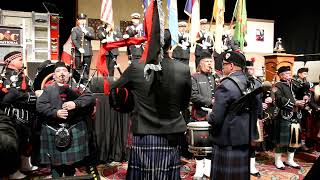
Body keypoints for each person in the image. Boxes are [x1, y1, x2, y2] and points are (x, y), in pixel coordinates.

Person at [110, 29, 191, 179]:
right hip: (172, 132)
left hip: (144, 132)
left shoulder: (137, 67)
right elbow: (184, 104)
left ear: (150, 44)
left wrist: (128, 106)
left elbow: (115, 90)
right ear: (170, 46)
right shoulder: (183, 69)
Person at [36, 62, 95, 178]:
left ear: (69, 74)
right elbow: (40, 105)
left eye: (64, 70)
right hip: (53, 129)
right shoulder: (48, 90)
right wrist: (55, 112)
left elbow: (90, 97)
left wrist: (75, 103)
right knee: (56, 164)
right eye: (58, 71)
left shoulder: (77, 87)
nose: (61, 73)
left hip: (73, 128)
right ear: (53, 76)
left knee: (70, 164)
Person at [208, 51, 257, 180]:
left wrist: (209, 116)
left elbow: (216, 118)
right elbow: (257, 111)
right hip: (244, 138)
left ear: (231, 66)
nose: (222, 67)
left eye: (224, 64)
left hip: (226, 140)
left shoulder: (226, 85)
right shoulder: (252, 83)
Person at [0, 51, 39, 179]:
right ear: (11, 61)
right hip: (13, 115)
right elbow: (9, 97)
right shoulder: (6, 76)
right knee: (14, 143)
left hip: (27, 114)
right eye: (20, 59)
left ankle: (25, 165)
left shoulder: (22, 76)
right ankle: (13, 171)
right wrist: (31, 97)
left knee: (26, 140)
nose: (22, 61)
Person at [190, 51, 216, 179]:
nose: (210, 64)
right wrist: (210, 101)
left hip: (213, 115)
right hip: (199, 114)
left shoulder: (213, 77)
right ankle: (199, 169)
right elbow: (193, 96)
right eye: (207, 62)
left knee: (211, 142)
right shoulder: (195, 77)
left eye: (211, 61)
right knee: (200, 143)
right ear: (200, 64)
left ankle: (208, 168)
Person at [273, 66, 304, 170]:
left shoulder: (294, 84)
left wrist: (306, 96)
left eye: (290, 74)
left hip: (296, 115)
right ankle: (278, 160)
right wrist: (295, 103)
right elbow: (279, 99)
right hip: (284, 116)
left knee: (294, 139)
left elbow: (303, 91)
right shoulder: (277, 85)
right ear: (281, 75)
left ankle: (290, 160)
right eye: (287, 74)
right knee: (282, 141)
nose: (289, 76)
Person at [71, 13, 95, 83]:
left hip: (87, 52)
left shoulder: (90, 29)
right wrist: (79, 48)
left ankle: (85, 84)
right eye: (81, 19)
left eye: (84, 19)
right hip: (79, 53)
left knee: (86, 69)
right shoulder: (75, 29)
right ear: (78, 20)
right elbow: (74, 39)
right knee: (78, 69)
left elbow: (93, 37)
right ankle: (79, 83)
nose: (82, 21)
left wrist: (86, 32)